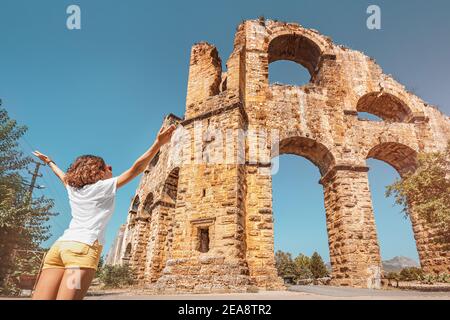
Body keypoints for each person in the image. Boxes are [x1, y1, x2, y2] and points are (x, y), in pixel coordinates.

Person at [31, 124, 176, 300]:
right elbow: (136, 169)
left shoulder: (73, 188)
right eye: (105, 167)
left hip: (59, 248)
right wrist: (158, 144)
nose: (110, 167)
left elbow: (62, 176)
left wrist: (49, 162)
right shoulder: (103, 187)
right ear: (97, 173)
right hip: (80, 252)